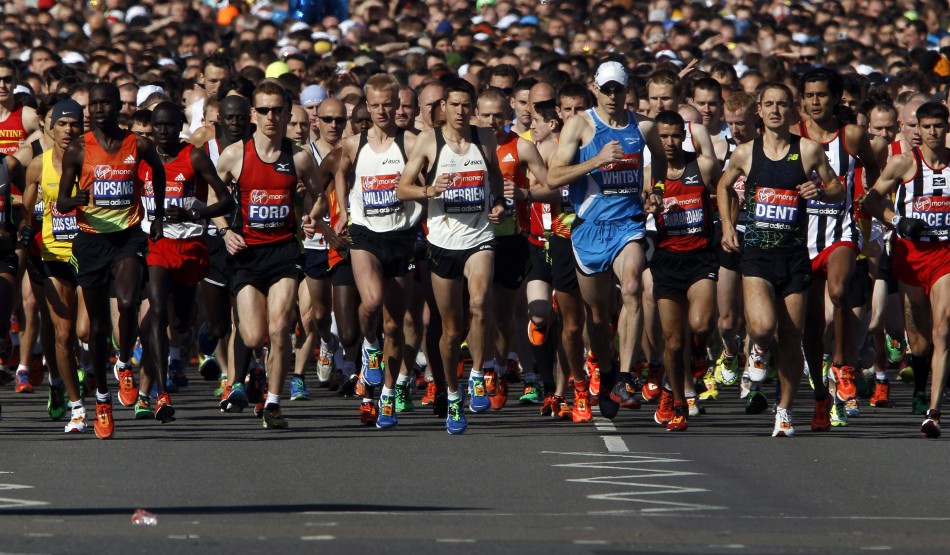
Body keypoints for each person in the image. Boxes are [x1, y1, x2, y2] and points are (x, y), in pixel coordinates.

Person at [718, 82, 844, 437]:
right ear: (759, 109)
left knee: (792, 337)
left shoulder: (808, 150)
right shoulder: (745, 153)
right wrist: (729, 226)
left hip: (794, 257)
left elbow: (838, 189)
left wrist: (819, 189)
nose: (775, 110)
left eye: (782, 105)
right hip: (757, 256)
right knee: (760, 326)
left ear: (793, 110)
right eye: (769, 104)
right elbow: (724, 186)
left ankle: (785, 410)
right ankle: (757, 350)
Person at [547, 60, 667, 420]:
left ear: (628, 90)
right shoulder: (579, 125)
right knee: (597, 317)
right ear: (595, 89)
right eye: (607, 88)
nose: (613, 95)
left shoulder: (642, 126)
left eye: (619, 88)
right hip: (588, 229)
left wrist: (656, 189)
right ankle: (609, 367)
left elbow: (659, 160)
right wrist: (596, 159)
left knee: (632, 288)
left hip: (628, 224)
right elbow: (554, 177)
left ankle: (626, 378)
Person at [57, 82, 167, 440]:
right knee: (98, 328)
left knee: (128, 300)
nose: (101, 109)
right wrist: (77, 200)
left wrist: (160, 215)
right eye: (96, 104)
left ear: (119, 106)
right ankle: (102, 400)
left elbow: (159, 172)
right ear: (90, 108)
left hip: (128, 237)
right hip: (90, 241)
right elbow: (61, 202)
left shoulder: (139, 144)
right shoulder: (77, 149)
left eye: (108, 103)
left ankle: (124, 364)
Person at [397, 77, 506, 434]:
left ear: (473, 108)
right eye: (453, 105)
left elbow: (495, 178)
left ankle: (477, 373)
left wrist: (501, 204)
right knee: (449, 330)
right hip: (442, 243)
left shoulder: (485, 137)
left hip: (479, 237)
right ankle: (454, 395)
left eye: (465, 106)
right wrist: (431, 189)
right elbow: (403, 188)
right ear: (444, 108)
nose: (459, 112)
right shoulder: (430, 141)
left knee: (479, 303)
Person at [213, 81, 323, 429]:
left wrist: (310, 216)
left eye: (278, 110)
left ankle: (273, 403)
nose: (271, 117)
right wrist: (224, 230)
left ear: (288, 114)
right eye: (264, 111)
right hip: (246, 255)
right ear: (252, 115)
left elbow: (320, 194)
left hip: (284, 254)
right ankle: (256, 374)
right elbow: (211, 194)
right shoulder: (235, 154)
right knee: (251, 336)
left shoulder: (299, 156)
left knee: (279, 327)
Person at [134, 102, 234, 422]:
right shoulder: (142, 160)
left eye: (168, 126)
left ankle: (199, 325)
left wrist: (193, 212)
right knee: (158, 313)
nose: (162, 132)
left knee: (180, 322)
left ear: (179, 125)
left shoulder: (193, 156)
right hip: (156, 245)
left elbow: (226, 200)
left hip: (190, 245)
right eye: (157, 126)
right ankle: (161, 393)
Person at [793, 68, 881, 428]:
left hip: (840, 231)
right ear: (802, 101)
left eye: (822, 95)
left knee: (840, 289)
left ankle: (844, 364)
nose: (816, 102)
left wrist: (869, 202)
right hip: (800, 238)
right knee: (811, 329)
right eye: (810, 95)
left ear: (835, 97)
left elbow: (875, 172)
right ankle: (819, 395)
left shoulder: (853, 135)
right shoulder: (791, 136)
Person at [331, 74, 420, 429]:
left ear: (398, 106)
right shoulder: (354, 144)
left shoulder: (412, 143)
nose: (383, 111)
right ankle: (369, 346)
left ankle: (385, 396)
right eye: (376, 105)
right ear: (366, 106)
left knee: (395, 326)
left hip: (401, 235)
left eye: (389, 104)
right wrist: (342, 213)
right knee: (371, 302)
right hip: (365, 233)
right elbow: (339, 172)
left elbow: (427, 178)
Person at [863, 101, 950, 439]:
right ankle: (921, 377)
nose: (930, 133)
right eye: (924, 127)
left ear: (945, 127)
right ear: (917, 129)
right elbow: (870, 201)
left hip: (945, 253)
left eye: (937, 126)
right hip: (912, 255)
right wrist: (899, 221)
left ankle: (933, 411)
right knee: (920, 340)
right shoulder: (903, 163)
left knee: (943, 331)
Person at [646, 110, 720, 431]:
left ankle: (700, 350)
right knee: (673, 343)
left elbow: (721, 178)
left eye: (676, 135)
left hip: (700, 258)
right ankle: (676, 401)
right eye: (663, 136)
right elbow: (637, 207)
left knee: (700, 325)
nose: (670, 142)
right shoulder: (649, 173)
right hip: (666, 260)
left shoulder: (700, 166)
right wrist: (646, 205)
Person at [19, 99, 84, 431]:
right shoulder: (37, 166)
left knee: (85, 330)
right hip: (50, 256)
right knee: (61, 331)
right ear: (49, 126)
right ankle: (71, 399)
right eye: (62, 124)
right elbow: (27, 216)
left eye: (74, 124)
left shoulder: (91, 163)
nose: (68, 130)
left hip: (88, 256)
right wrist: (24, 236)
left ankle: (72, 375)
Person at [291, 98, 346, 399]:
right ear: (318, 122)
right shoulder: (304, 156)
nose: (333, 126)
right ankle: (326, 341)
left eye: (339, 120)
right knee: (317, 315)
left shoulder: (350, 152)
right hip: (314, 243)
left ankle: (352, 369)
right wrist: (297, 195)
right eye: (327, 119)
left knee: (351, 308)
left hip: (347, 242)